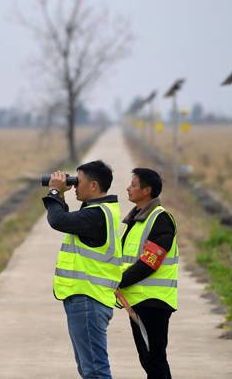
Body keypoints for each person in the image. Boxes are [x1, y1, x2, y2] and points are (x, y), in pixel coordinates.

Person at [43, 160, 123, 379]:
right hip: (90, 299)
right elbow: (68, 220)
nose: (75, 186)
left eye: (78, 182)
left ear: (94, 185)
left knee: (94, 370)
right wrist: (60, 195)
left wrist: (54, 191)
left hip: (89, 299)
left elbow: (57, 220)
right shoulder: (102, 211)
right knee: (89, 368)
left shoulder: (97, 214)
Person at [118, 168, 178, 379]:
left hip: (153, 303)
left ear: (147, 190)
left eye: (133, 184)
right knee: (149, 360)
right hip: (139, 302)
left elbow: (149, 263)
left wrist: (117, 281)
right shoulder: (136, 220)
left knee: (154, 360)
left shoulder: (160, 220)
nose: (128, 188)